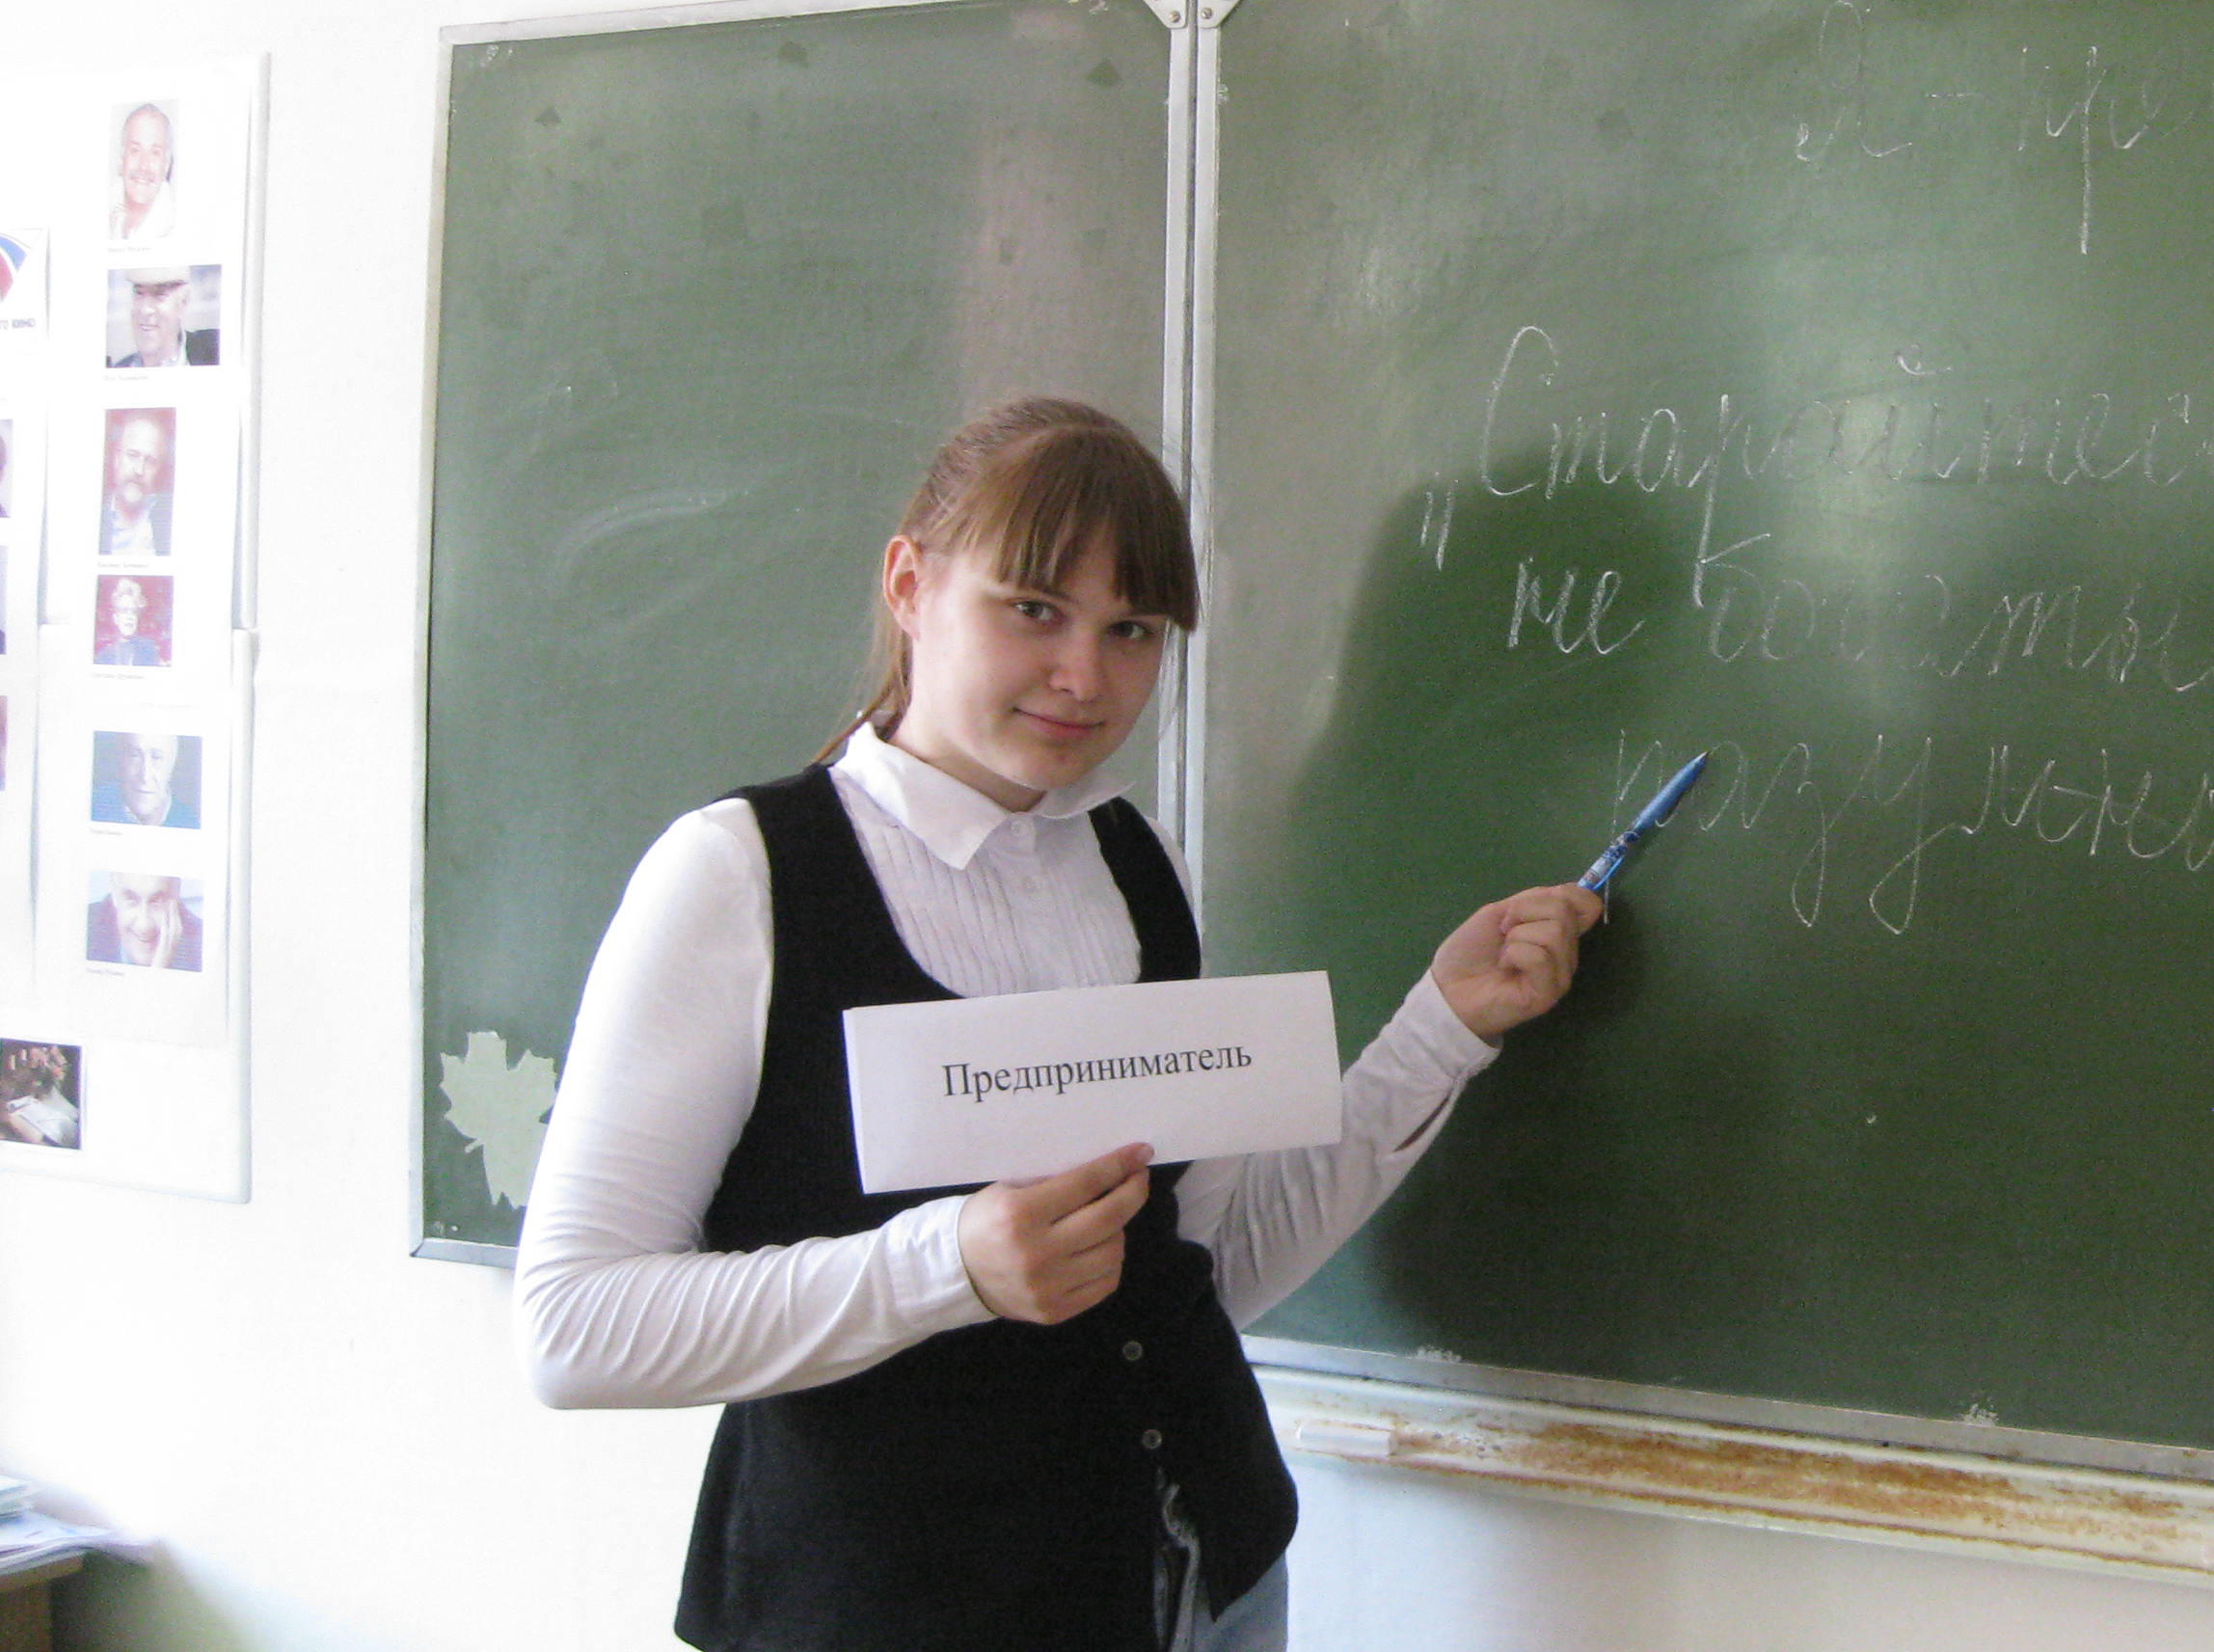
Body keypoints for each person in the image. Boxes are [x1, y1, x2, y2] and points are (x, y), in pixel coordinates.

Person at [515, 397, 1604, 1652]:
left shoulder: (1138, 868)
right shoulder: (740, 875)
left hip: (1212, 1580)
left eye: (1131, 628)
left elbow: (1205, 1268)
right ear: (910, 584)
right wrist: (948, 1268)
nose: (1086, 676)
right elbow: (573, 1327)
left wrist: (1441, 1028)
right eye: (1034, 609)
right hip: (901, 1612)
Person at [87, 872, 201, 971]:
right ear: (114, 896)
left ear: (176, 894)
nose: (144, 926)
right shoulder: (84, 927)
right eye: (131, 900)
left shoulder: (201, 948)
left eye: (157, 901)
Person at [100, 410, 173, 556]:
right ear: (116, 458)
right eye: (133, 455)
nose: (139, 470)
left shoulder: (169, 522)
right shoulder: (94, 516)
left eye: (150, 461)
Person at [111, 270, 214, 367]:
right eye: (139, 293)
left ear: (183, 302)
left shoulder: (214, 351)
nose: (145, 310)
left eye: (159, 295)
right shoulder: (118, 369)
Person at [95, 732, 193, 827]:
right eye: (134, 755)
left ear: (172, 765)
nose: (145, 776)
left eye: (156, 757)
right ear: (121, 760)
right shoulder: (95, 807)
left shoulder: (190, 822)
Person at [111, 103, 176, 242]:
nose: (144, 166)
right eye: (135, 150)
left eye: (155, 153)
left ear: (166, 165)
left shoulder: (177, 229)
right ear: (122, 158)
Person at [94, 577, 164, 667]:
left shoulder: (149, 650)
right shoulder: (103, 656)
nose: (129, 616)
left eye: (134, 611)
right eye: (124, 610)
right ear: (115, 618)